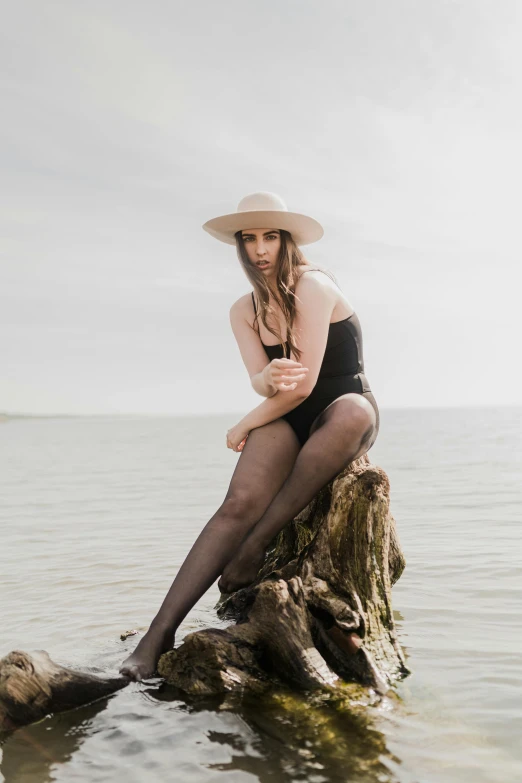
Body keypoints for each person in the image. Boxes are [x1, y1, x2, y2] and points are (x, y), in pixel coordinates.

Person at [119, 191, 379, 681]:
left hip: (343, 408)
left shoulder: (314, 285)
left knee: (345, 416)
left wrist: (244, 422)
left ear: (287, 241)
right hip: (288, 412)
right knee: (235, 504)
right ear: (240, 246)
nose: (260, 248)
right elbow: (260, 379)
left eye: (270, 236)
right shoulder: (244, 309)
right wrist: (266, 381)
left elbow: (305, 387)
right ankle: (157, 636)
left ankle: (254, 547)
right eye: (250, 238)